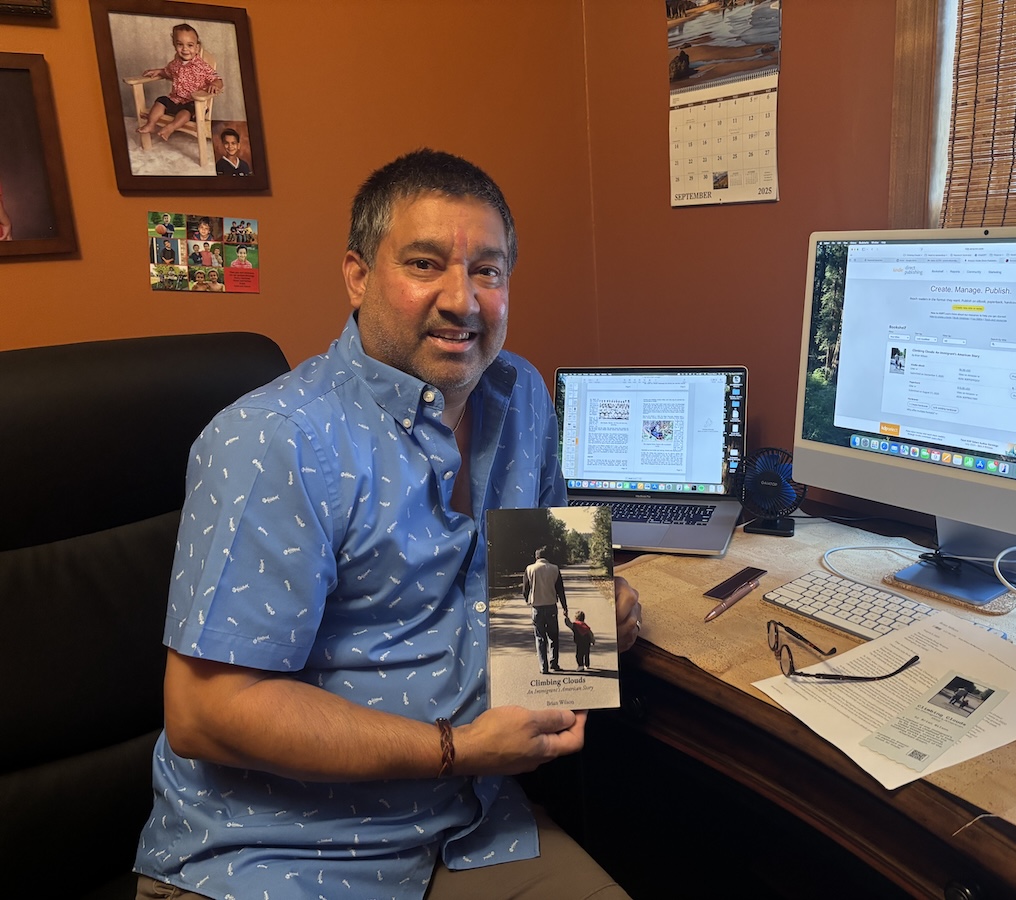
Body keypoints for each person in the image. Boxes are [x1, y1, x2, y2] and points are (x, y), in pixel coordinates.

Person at [133, 148, 642, 900]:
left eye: (488, 271)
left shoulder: (523, 396)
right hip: (273, 856)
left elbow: (543, 598)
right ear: (358, 275)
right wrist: (460, 748)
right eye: (425, 264)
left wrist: (597, 613)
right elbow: (206, 714)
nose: (463, 300)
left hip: (467, 829)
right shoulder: (273, 439)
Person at [136, 22, 223, 141]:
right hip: (175, 100)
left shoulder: (202, 66)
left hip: (194, 104)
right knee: (161, 101)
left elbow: (217, 79)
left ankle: (170, 128)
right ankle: (151, 124)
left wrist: (214, 84)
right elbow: (167, 72)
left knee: (186, 111)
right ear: (174, 46)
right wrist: (159, 71)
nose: (185, 49)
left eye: (190, 45)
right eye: (180, 45)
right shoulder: (175, 63)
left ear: (197, 48)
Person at [524, 547, 570, 674]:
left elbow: (525, 589)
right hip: (551, 607)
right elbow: (560, 590)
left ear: (536, 557)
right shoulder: (554, 569)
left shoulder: (529, 569)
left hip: (536, 607)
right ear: (547, 557)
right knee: (553, 636)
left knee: (540, 637)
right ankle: (554, 663)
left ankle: (543, 667)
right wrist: (565, 607)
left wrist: (527, 600)